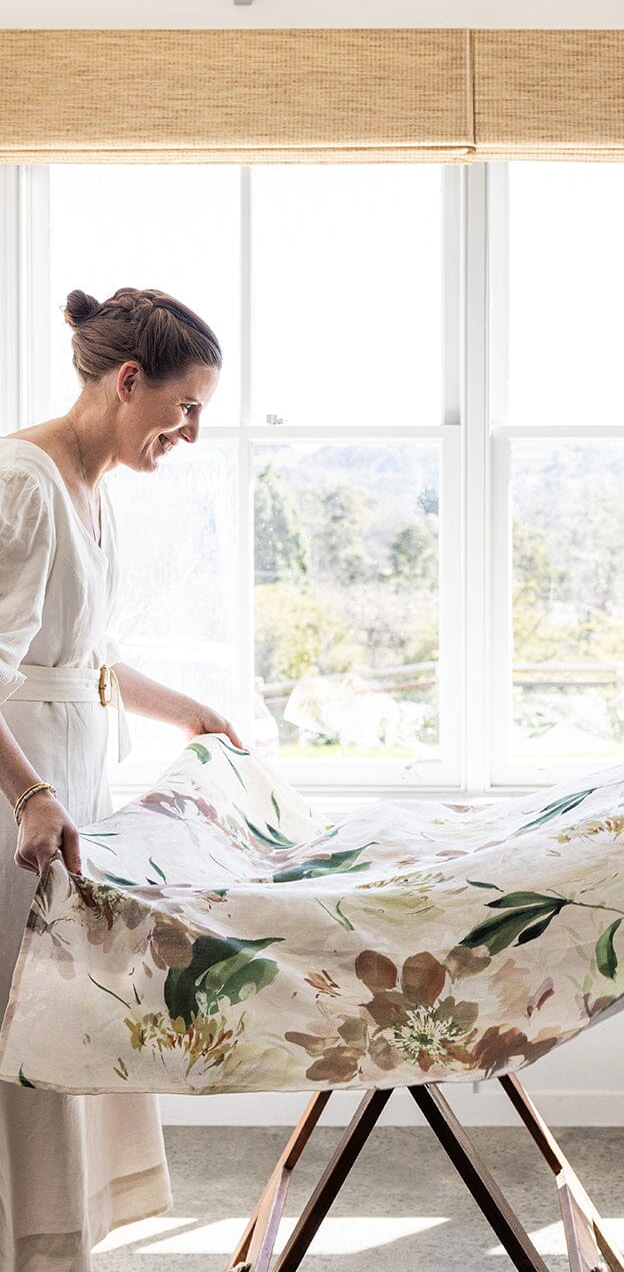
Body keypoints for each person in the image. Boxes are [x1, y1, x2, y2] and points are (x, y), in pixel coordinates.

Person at [0, 286, 247, 1269]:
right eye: (184, 408)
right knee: (22, 1026)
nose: (190, 433)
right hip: (20, 793)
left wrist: (186, 709)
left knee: (70, 1016)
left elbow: (87, 655)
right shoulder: (23, 482)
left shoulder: (91, 490)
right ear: (128, 380)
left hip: (67, 785)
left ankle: (57, 1241)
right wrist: (28, 793)